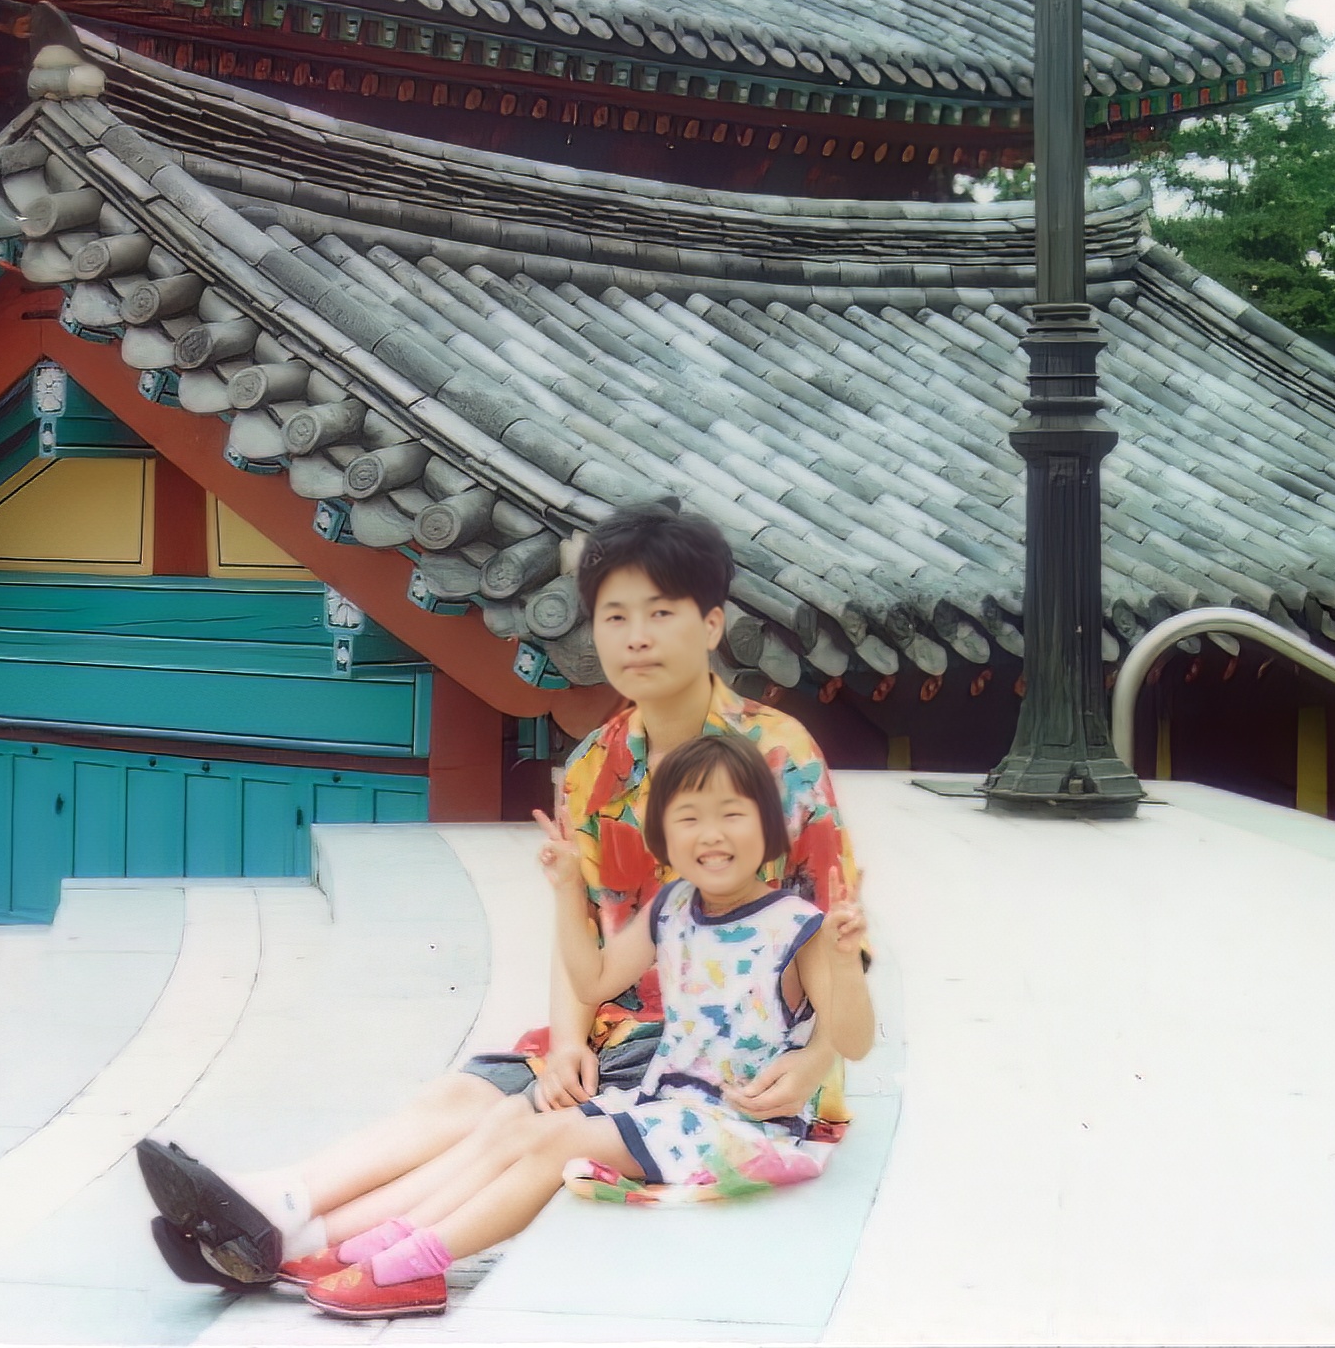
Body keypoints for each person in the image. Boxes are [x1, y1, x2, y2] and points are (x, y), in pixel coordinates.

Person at [138, 503, 866, 1299]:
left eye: (661, 613)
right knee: (470, 1090)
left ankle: (299, 1240)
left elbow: (838, 934)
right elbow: (583, 932)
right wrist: (567, 1039)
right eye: (615, 616)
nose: (637, 637)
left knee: (509, 1119)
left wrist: (812, 1061)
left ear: (711, 623)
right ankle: (283, 1205)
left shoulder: (776, 754)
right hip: (619, 1017)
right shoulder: (593, 766)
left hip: (732, 1051)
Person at [280, 731, 875, 1317]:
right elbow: (594, 982)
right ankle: (390, 1239)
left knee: (556, 1141)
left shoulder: (797, 926)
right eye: (689, 818)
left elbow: (854, 1041)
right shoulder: (672, 906)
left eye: (732, 815)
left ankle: (420, 1263)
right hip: (662, 1104)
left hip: (737, 1125)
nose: (711, 835)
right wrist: (569, 891)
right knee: (520, 1126)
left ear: (770, 827)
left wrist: (845, 965)